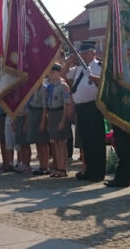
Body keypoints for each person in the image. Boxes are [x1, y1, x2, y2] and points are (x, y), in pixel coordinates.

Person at [62, 41, 105, 182]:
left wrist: (92, 76)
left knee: (96, 140)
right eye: (82, 53)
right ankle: (89, 170)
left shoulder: (98, 66)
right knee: (86, 141)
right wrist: (69, 61)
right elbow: (64, 75)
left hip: (93, 107)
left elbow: (105, 82)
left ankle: (98, 172)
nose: (84, 55)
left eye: (86, 53)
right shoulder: (79, 68)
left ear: (93, 52)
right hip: (81, 108)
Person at [45, 63, 71, 178]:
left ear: (58, 72)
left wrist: (63, 121)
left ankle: (63, 168)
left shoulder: (63, 85)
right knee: (55, 142)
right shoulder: (50, 86)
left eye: (52, 72)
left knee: (61, 142)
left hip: (60, 113)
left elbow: (66, 104)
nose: (50, 74)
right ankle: (57, 166)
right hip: (52, 113)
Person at [26, 82, 50, 175]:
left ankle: (46, 166)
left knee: (43, 142)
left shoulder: (44, 88)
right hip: (33, 112)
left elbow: (45, 107)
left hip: (40, 113)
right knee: (37, 142)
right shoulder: (33, 87)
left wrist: (43, 122)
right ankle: (41, 165)